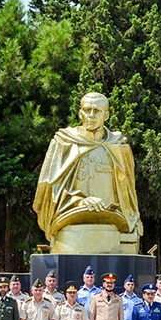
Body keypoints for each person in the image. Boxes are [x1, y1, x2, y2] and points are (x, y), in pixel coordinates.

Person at [33, 92, 142, 251]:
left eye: (97, 111)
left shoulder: (119, 146)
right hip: (70, 230)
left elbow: (129, 195)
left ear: (106, 115)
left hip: (113, 229)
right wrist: (78, 201)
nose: (91, 115)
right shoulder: (64, 142)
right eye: (87, 110)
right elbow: (49, 190)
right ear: (80, 113)